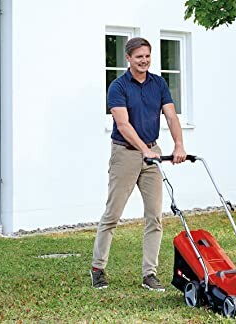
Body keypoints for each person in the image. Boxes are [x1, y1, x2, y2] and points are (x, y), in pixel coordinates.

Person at [90, 37, 186, 291]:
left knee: (155, 217)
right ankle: (98, 268)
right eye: (139, 56)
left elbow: (171, 115)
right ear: (129, 59)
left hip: (153, 152)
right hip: (125, 154)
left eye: (147, 56)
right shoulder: (118, 86)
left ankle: (149, 274)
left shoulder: (159, 83)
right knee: (113, 214)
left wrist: (178, 145)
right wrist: (144, 150)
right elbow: (123, 124)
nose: (144, 60)